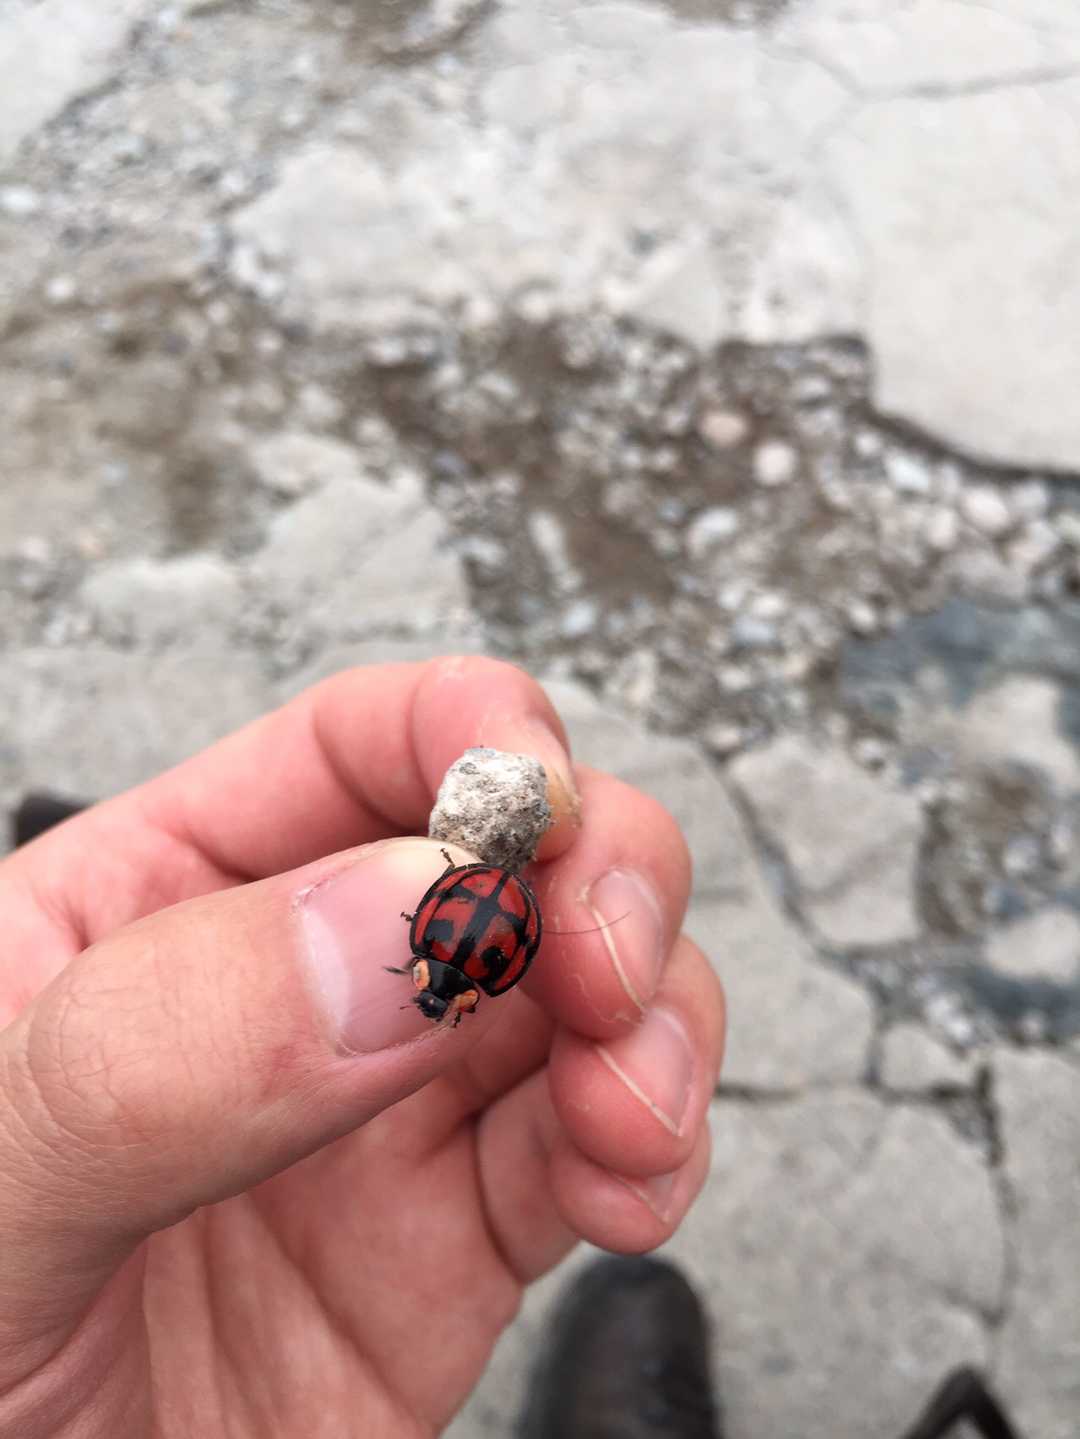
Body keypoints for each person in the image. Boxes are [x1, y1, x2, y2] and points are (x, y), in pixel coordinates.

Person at [0, 657, 724, 1437]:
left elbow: (467, 937)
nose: (426, 998)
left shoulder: (447, 967)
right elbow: (480, 942)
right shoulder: (455, 965)